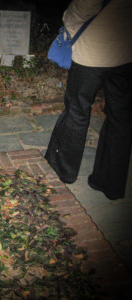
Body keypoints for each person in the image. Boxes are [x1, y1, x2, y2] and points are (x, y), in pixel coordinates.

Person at [45, 0, 132, 200]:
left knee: (77, 110)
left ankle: (62, 173)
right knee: (121, 118)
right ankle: (110, 184)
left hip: (94, 51)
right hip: (127, 50)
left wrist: (68, 20)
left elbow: (86, 5)